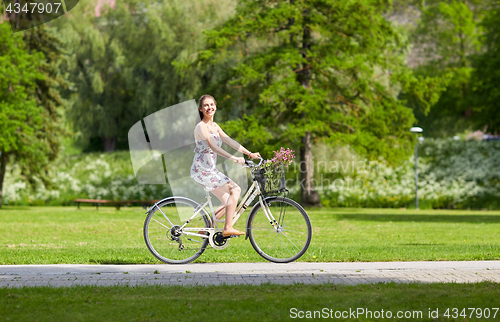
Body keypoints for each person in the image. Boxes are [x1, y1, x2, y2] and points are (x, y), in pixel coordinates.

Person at [190, 94, 260, 236]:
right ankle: (227, 228)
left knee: (234, 192)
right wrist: (234, 158)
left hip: (210, 169)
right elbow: (213, 146)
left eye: (212, 104)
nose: (210, 107)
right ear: (201, 109)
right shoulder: (201, 127)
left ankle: (206, 229)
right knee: (232, 195)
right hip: (202, 170)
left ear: (215, 106)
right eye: (206, 105)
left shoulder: (215, 126)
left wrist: (249, 153)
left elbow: (230, 141)